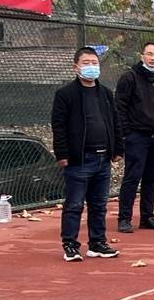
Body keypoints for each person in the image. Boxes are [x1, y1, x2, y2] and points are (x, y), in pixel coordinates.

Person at [50, 46, 124, 262]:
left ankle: (97, 243)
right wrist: (62, 154)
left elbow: (115, 122)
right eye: (86, 63)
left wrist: (118, 149)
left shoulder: (106, 93)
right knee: (74, 204)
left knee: (99, 204)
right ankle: (70, 245)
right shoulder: (65, 94)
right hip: (79, 160)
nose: (91, 67)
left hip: (103, 159)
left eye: (94, 63)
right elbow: (59, 126)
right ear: (76, 67)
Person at [114, 41, 154, 234]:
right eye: (149, 54)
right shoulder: (129, 78)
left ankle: (147, 217)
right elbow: (120, 107)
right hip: (137, 136)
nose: (152, 58)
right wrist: (126, 133)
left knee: (151, 178)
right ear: (142, 56)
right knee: (132, 177)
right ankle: (124, 218)